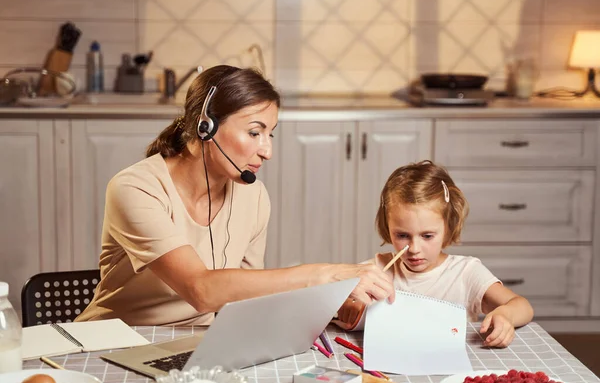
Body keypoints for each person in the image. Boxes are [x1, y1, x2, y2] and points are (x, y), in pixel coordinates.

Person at [76, 65, 394, 326]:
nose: (267, 150)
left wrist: (332, 304)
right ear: (206, 127)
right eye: (255, 132)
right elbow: (200, 289)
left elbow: (247, 297)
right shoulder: (136, 188)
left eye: (270, 134)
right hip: (115, 345)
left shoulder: (252, 195)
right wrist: (329, 274)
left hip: (196, 347)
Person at [335, 160, 534, 348]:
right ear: (387, 228)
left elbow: (523, 306)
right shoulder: (376, 268)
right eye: (402, 235)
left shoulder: (465, 272)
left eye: (427, 236)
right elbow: (335, 303)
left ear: (448, 228)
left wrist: (506, 315)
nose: (413, 248)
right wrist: (348, 306)